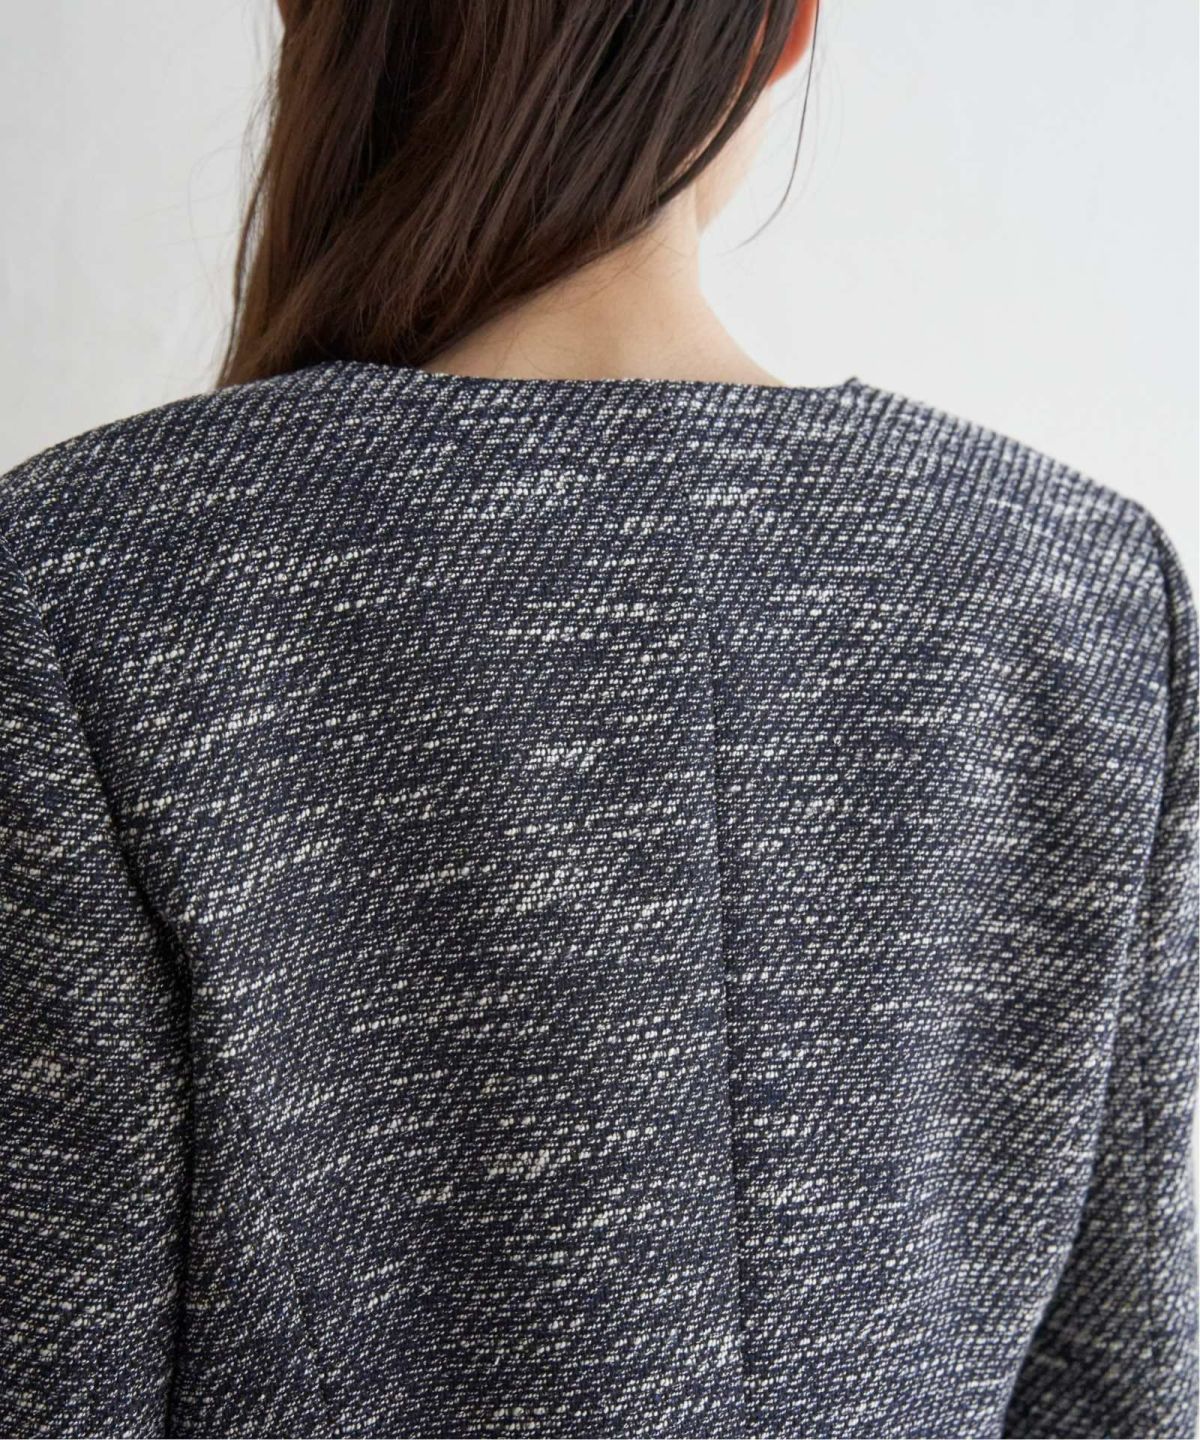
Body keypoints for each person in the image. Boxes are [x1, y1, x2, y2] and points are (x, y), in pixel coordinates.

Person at [0, 2, 1195, 1437]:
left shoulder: (101, 573)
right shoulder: (1079, 591)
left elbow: (54, 1371)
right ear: (781, 35)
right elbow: (1116, 1388)